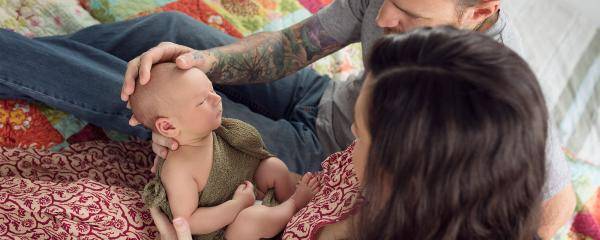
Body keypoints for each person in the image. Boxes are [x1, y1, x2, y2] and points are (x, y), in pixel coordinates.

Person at [0, 0, 575, 237]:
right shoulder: (391, 13)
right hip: (324, 100)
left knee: (153, 97)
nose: (386, 16)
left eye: (413, 13)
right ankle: (32, 60)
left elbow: (555, 200)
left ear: (477, 13)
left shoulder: (500, 94)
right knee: (170, 43)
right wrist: (202, 63)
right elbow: (296, 46)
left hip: (314, 154)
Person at [158, 27, 551, 239]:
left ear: (404, 173)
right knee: (169, 35)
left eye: (361, 134)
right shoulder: (372, 178)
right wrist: (203, 153)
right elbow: (321, 190)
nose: (386, 17)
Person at [129, 63, 319, 239]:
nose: (217, 98)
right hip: (224, 231)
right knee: (249, 220)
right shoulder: (179, 170)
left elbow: (245, 157)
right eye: (203, 101)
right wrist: (236, 206)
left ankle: (288, 209)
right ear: (168, 127)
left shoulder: (213, 132)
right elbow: (190, 222)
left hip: (247, 193)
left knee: (273, 167)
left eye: (211, 89)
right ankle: (294, 205)